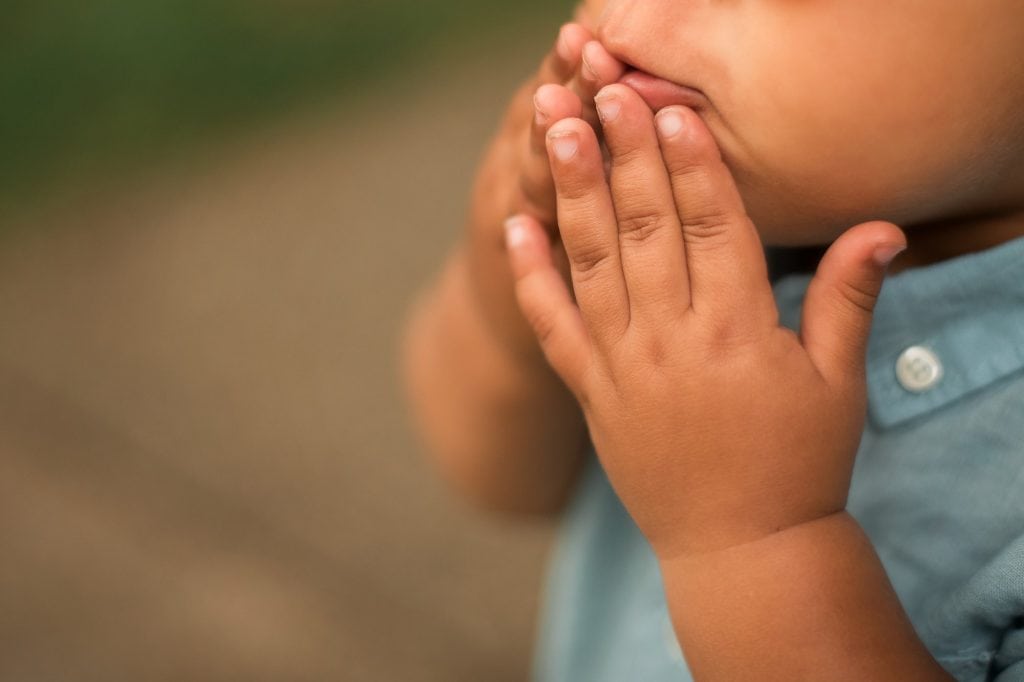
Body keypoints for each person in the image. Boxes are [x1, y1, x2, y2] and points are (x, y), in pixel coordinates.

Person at [399, 1, 1024, 679]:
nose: (634, 15)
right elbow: (504, 481)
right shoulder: (712, 220)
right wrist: (511, 292)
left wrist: (754, 539)